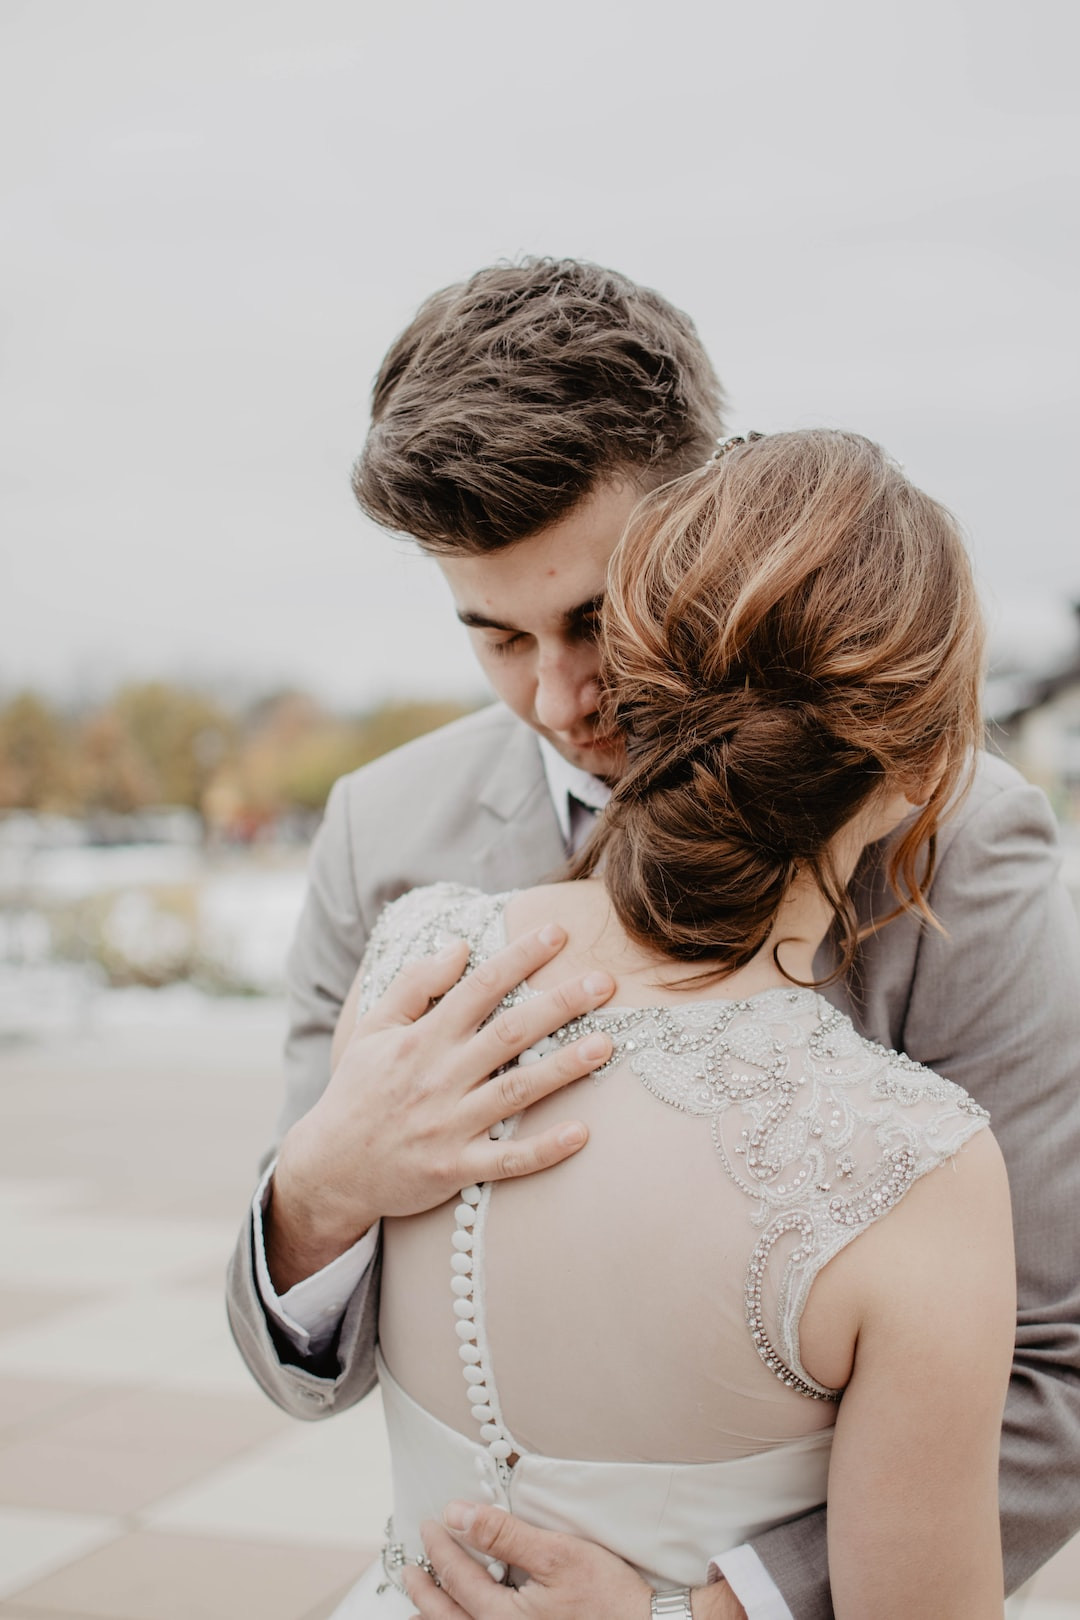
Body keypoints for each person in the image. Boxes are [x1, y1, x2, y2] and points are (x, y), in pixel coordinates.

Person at [226, 261, 1080, 1620]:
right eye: (493, 637)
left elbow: (1053, 1361)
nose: (559, 699)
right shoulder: (383, 832)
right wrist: (321, 1184)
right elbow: (299, 1369)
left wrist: (711, 1609)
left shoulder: (960, 840)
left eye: (590, 620)